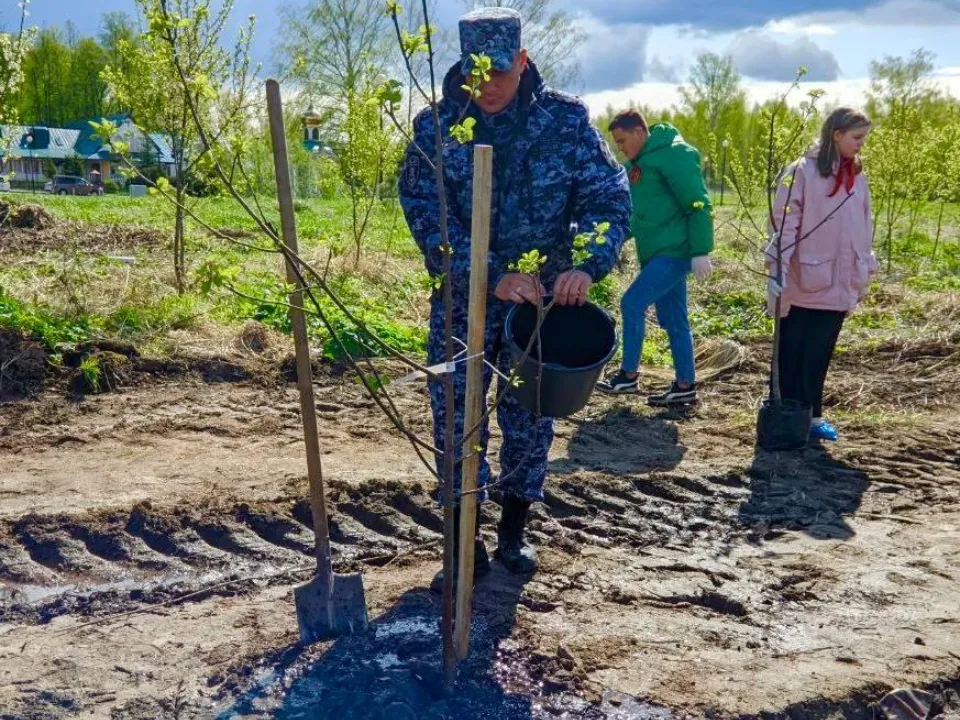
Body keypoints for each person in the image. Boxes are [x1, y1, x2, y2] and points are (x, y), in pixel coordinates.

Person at [398, 7, 631, 589]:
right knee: (456, 415)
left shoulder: (565, 121)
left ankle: (513, 533)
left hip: (542, 305)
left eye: (499, 73)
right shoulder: (437, 127)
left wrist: (586, 263)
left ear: (522, 61)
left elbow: (607, 198)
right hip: (461, 301)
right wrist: (488, 273)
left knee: (529, 416)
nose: (488, 87)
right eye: (477, 74)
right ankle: (461, 540)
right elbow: (426, 217)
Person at [766, 107, 876, 442]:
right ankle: (784, 412)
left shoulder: (856, 175)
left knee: (819, 352)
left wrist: (865, 266)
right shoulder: (801, 172)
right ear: (836, 134)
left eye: (863, 138)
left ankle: (813, 417)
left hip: (840, 281)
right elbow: (785, 224)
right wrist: (778, 269)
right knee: (792, 349)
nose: (861, 144)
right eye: (856, 138)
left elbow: (864, 224)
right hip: (804, 279)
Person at [597, 110, 714, 406]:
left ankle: (628, 376)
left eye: (623, 140)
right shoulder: (640, 165)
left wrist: (701, 250)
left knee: (631, 303)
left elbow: (698, 202)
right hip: (655, 253)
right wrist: (614, 241)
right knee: (675, 321)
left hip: (675, 251)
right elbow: (642, 215)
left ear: (639, 131)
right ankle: (685, 385)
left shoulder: (673, 155)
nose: (621, 147)